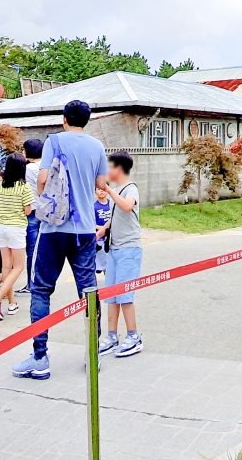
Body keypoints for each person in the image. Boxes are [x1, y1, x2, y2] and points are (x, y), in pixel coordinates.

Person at [12, 100, 110, 381]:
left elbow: (43, 179)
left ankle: (40, 357)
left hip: (53, 229)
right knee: (88, 291)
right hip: (85, 231)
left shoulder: (53, 141)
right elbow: (101, 184)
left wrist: (45, 198)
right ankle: (92, 353)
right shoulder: (97, 146)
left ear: (64, 119)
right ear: (87, 120)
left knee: (41, 290)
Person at [97, 152, 143, 358]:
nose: (107, 171)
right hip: (115, 249)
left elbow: (126, 206)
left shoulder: (131, 188)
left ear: (118, 169)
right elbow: (115, 216)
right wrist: (102, 230)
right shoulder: (116, 190)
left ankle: (134, 336)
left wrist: (108, 190)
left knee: (125, 295)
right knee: (111, 296)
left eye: (109, 167)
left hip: (129, 249)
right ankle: (112, 336)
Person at [0, 153, 35, 320]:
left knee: (6, 266)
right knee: (18, 266)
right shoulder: (24, 187)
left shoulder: (0, 186)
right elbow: (28, 210)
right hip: (17, 228)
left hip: (2, 228)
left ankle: (11, 302)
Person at [20, 139, 43, 295]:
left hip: (32, 211)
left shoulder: (28, 169)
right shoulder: (47, 167)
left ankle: (31, 283)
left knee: (32, 249)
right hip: (47, 212)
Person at [93, 186, 112, 274]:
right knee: (104, 264)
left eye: (103, 189)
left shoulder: (112, 205)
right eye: (98, 189)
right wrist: (103, 229)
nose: (101, 191)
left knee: (111, 264)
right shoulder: (93, 207)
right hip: (100, 240)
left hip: (113, 238)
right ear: (95, 192)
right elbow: (92, 224)